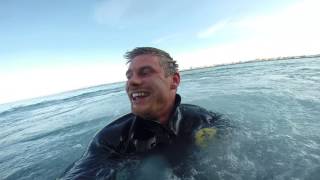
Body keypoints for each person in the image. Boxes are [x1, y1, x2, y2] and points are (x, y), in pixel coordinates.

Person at [62, 47, 225, 179]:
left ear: (174, 81)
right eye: (129, 76)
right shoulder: (111, 139)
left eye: (145, 72)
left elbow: (224, 125)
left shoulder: (200, 118)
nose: (132, 81)